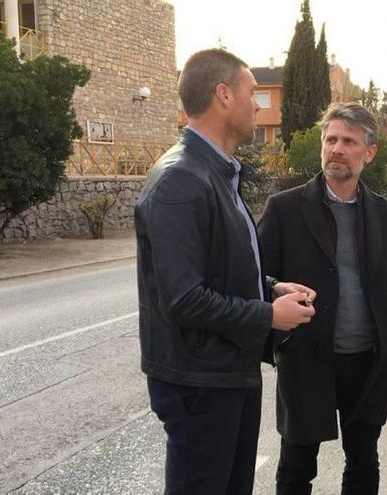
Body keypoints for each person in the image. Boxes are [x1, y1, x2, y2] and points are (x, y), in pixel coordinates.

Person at [134, 48, 316, 495]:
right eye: (252, 92)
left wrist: (269, 288)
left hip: (223, 372)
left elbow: (219, 268)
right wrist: (268, 317)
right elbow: (183, 298)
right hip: (199, 381)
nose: (257, 104)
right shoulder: (182, 179)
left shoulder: (214, 172)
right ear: (223, 96)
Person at [257, 102, 387, 494]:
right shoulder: (285, 208)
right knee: (296, 466)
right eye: (331, 139)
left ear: (369, 152)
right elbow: (255, 276)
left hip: (368, 363)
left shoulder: (385, 213)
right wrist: (277, 303)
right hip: (307, 358)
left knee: (363, 461)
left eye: (349, 141)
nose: (337, 148)